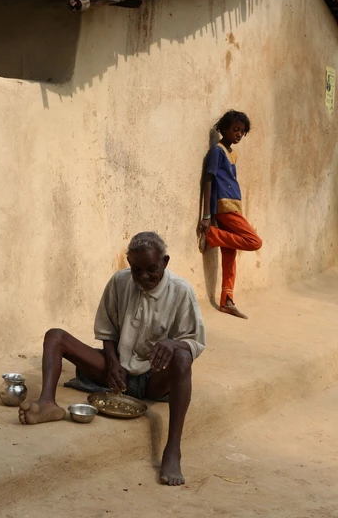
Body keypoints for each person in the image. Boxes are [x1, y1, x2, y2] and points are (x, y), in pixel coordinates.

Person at [19, 232, 205, 486]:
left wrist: (173, 344)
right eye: (136, 270)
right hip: (117, 372)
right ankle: (48, 403)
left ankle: (172, 449)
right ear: (128, 262)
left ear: (165, 261)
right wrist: (113, 362)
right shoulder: (120, 281)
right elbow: (107, 331)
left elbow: (195, 341)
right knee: (55, 337)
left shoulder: (181, 291)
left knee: (183, 357)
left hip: (155, 377)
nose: (143, 277)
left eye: (152, 269)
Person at [197, 110, 262, 319]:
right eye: (235, 129)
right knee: (254, 241)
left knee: (230, 254)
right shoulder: (217, 151)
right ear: (223, 128)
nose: (239, 134)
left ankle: (226, 299)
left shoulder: (232, 153)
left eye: (242, 131)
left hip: (233, 205)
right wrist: (207, 215)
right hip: (225, 207)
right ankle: (213, 236)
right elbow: (208, 179)